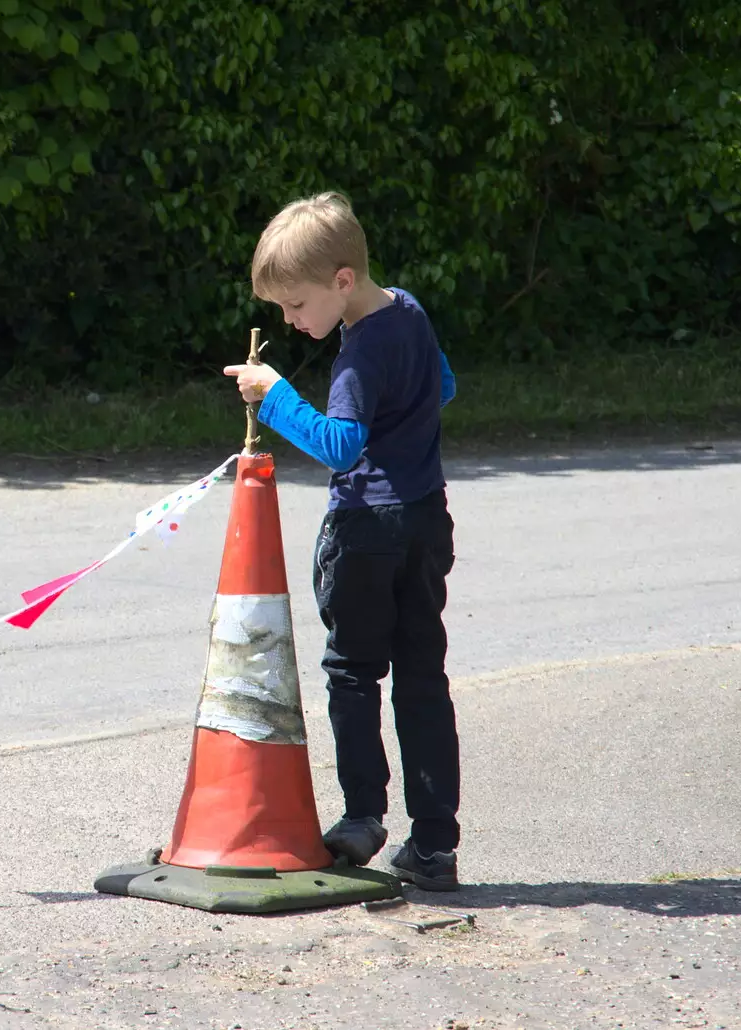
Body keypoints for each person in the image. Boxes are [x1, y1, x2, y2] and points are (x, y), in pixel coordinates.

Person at [222, 191, 462, 891]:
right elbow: (442, 385)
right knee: (422, 679)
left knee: (354, 674)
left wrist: (274, 398)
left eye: (296, 306)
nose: (291, 322)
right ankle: (435, 845)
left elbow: (340, 446)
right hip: (425, 523)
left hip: (366, 532)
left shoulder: (356, 359)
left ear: (342, 281)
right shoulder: (410, 312)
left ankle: (363, 818)